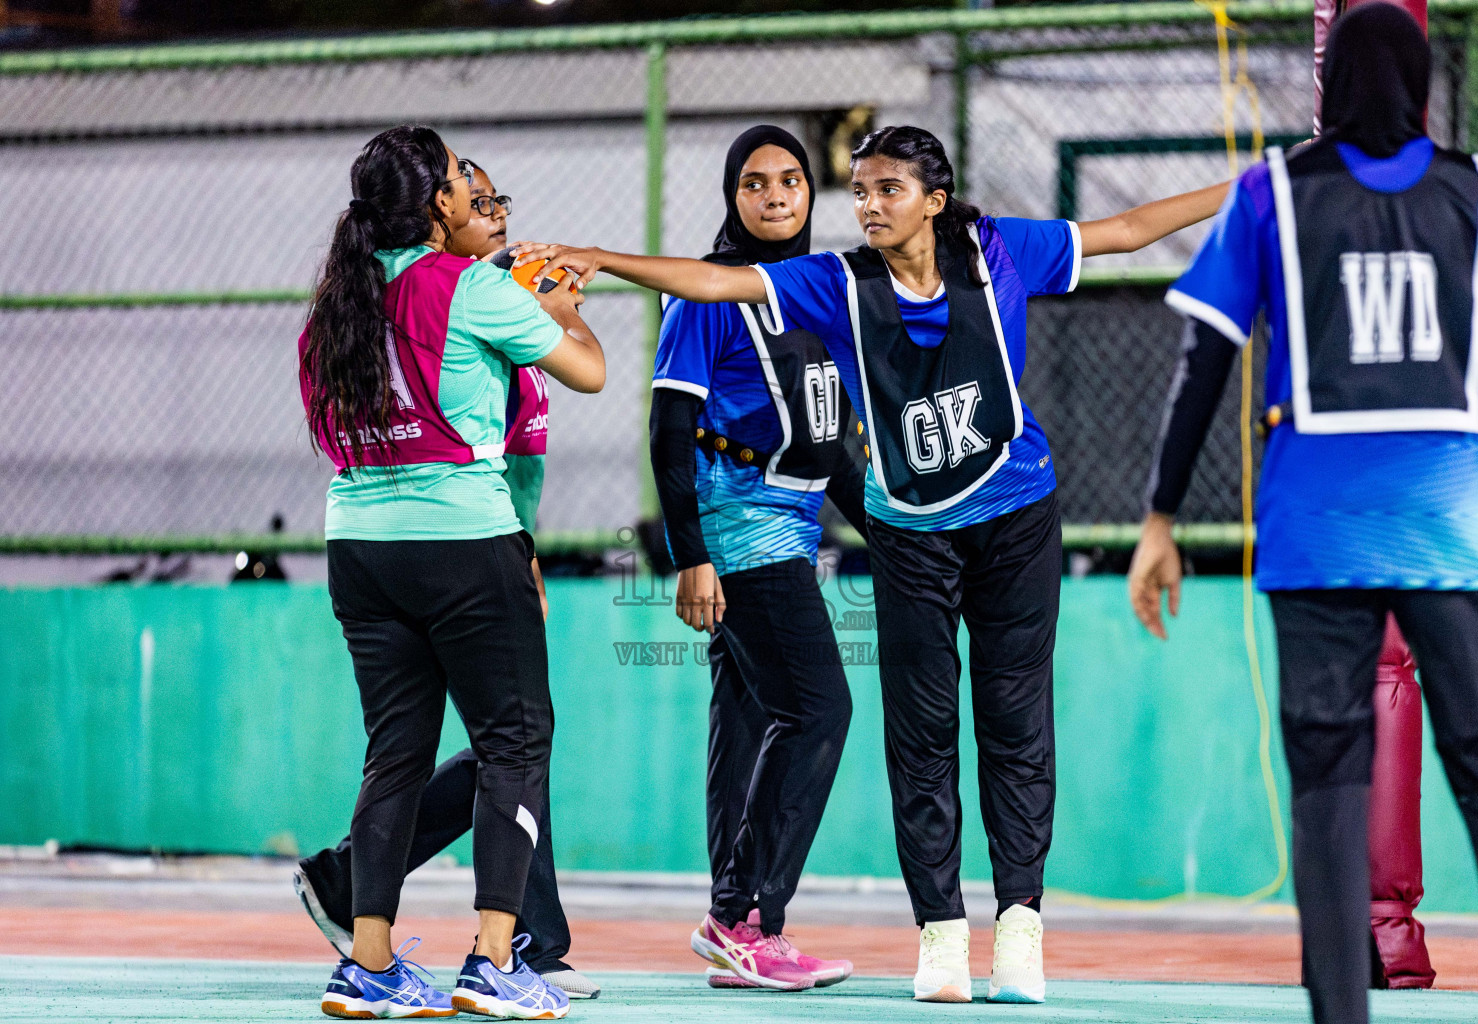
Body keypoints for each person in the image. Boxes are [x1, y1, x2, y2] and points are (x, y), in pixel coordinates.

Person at [513, 124, 1225, 1004]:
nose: (868, 205)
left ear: (933, 197)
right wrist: (600, 258)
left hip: (1014, 516)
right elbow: (713, 281)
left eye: (887, 190)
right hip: (900, 533)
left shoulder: (998, 248)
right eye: (860, 191)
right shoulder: (833, 284)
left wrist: (1249, 192)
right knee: (909, 734)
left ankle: (1019, 927)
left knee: (1014, 724)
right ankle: (932, 934)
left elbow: (1126, 230)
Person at [1126, 7, 1478, 1023]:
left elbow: (1204, 361)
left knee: (1328, 773)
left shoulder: (1270, 191)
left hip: (1316, 524)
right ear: (1426, 83)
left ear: (1328, 87)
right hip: (1453, 523)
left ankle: (1340, 1014)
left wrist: (1159, 517)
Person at [299, 124, 604, 1021]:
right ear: (437, 200)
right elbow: (583, 371)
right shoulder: (473, 286)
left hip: (357, 545)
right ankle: (494, 958)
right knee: (515, 741)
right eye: (457, 183)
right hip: (464, 541)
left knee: (394, 754)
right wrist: (559, 302)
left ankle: (369, 963)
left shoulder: (334, 306)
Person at [650, 125, 867, 992]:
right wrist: (689, 557)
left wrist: (896, 541)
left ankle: (736, 924)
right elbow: (668, 433)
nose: (775, 196)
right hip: (742, 536)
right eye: (754, 183)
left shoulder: (820, 292)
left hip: (794, 527)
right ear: (731, 197)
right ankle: (746, 917)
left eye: (790, 180)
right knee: (819, 709)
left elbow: (833, 449)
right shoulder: (708, 295)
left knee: (747, 724)